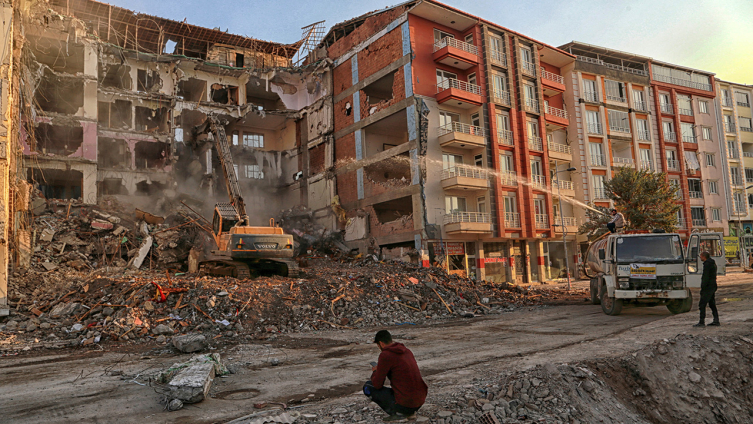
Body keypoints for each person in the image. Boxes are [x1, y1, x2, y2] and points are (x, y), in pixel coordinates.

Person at [363, 330, 428, 422]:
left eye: (378, 345)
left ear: (381, 343)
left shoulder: (385, 355)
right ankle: (410, 412)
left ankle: (399, 413)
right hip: (419, 401)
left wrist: (376, 371)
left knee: (368, 387)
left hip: (406, 403)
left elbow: (377, 384)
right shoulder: (407, 351)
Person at [694, 251, 720, 327]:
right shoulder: (712, 263)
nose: (700, 258)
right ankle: (716, 320)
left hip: (708, 287)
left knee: (702, 304)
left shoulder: (707, 264)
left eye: (701, 256)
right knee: (712, 304)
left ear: (704, 256)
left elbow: (705, 277)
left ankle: (702, 322)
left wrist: (703, 287)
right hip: (712, 286)